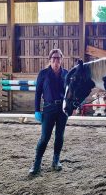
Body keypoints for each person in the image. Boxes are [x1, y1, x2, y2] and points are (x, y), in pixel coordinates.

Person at [29, 48, 68, 176]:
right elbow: (38, 93)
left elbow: (70, 93)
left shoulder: (66, 74)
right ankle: (37, 163)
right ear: (50, 59)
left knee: (59, 136)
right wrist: (36, 110)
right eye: (54, 58)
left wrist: (71, 106)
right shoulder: (43, 74)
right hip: (48, 108)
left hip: (62, 110)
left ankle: (56, 161)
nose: (56, 60)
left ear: (61, 59)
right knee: (45, 137)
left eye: (58, 58)